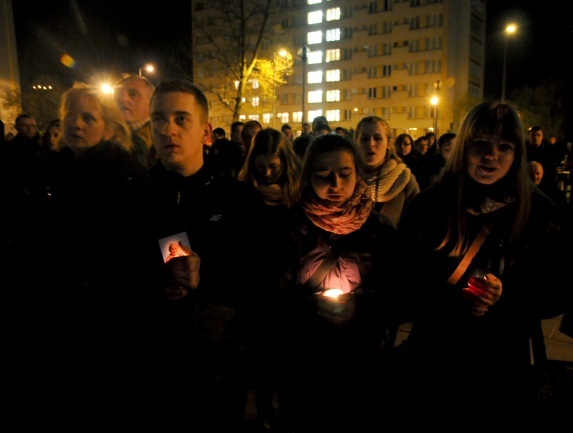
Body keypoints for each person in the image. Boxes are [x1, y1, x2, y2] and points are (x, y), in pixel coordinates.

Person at [397, 101, 573, 426]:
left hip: (506, 363)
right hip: (438, 359)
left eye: (503, 147)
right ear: (465, 146)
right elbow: (403, 280)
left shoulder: (540, 213)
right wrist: (449, 299)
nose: (491, 156)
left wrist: (507, 294)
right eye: (481, 145)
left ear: (517, 152)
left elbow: (558, 286)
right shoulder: (428, 207)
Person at [6, 82, 156, 424]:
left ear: (108, 126)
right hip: (55, 308)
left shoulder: (127, 173)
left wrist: (178, 266)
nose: (76, 123)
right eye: (70, 115)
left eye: (88, 117)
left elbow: (160, 228)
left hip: (110, 312)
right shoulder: (46, 169)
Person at [147, 78, 268, 431]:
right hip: (155, 363)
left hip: (220, 365)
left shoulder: (240, 200)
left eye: (181, 119)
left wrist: (209, 279)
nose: (168, 129)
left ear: (206, 132)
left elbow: (260, 277)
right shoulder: (135, 197)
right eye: (158, 119)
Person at [277, 133, 401, 431]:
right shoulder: (290, 227)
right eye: (324, 175)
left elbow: (397, 293)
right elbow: (273, 296)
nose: (336, 184)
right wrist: (309, 308)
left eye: (345, 174)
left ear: (358, 174)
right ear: (309, 176)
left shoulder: (379, 230)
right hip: (305, 361)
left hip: (362, 360)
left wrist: (359, 307)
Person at [237, 127, 302, 430]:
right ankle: (264, 411)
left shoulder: (296, 195)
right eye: (260, 167)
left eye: (273, 167)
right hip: (255, 290)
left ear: (285, 162)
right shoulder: (243, 194)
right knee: (260, 359)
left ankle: (288, 411)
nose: (266, 174)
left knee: (288, 360)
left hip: (290, 291)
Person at [353, 116, 419, 228]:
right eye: (364, 139)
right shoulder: (346, 179)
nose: (371, 144)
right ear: (356, 143)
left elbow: (417, 227)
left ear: (388, 143)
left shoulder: (405, 181)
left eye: (377, 138)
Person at [114, 73, 158, 168]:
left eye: (133, 94)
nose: (123, 99)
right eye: (119, 94)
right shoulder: (104, 133)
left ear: (151, 102)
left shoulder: (160, 138)